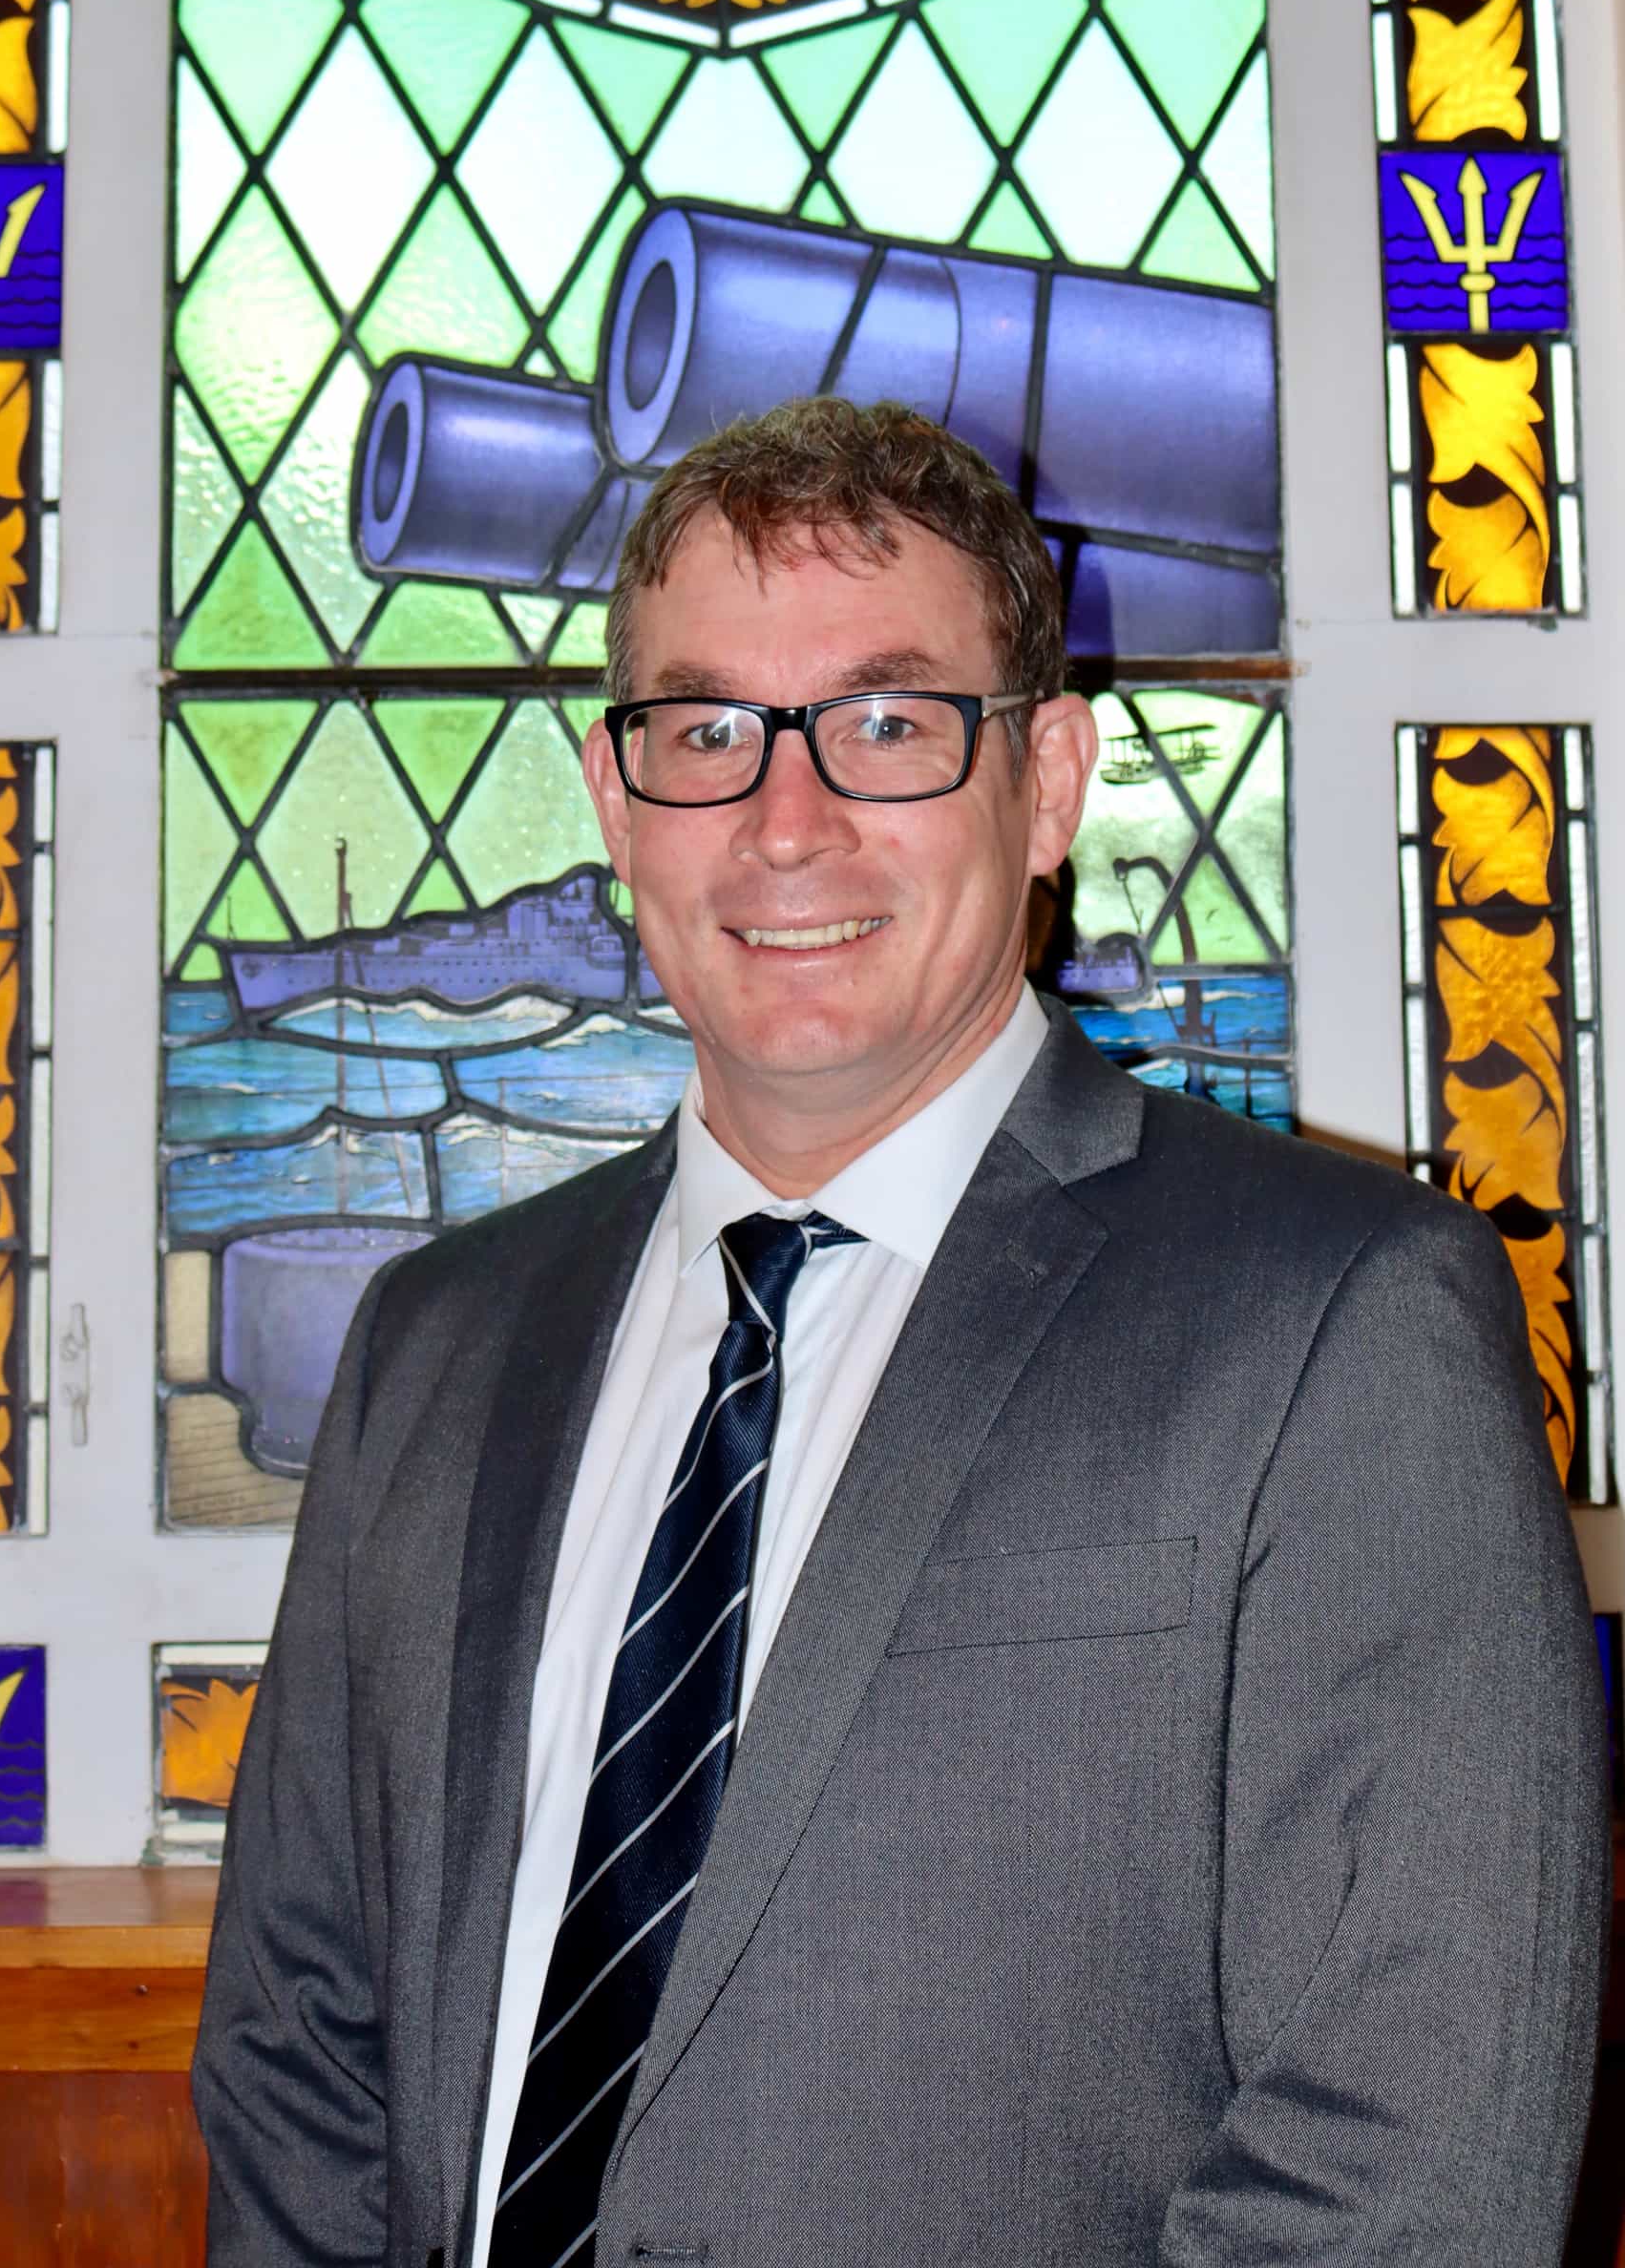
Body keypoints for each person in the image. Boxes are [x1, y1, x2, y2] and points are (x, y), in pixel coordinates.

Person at [194, 398, 1608, 2268]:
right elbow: (304, 2049)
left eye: (885, 722)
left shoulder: (1338, 1318)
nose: (784, 824)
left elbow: (1409, 2147)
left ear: (1047, 780)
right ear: (616, 798)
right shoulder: (434, 1345)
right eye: (706, 729)